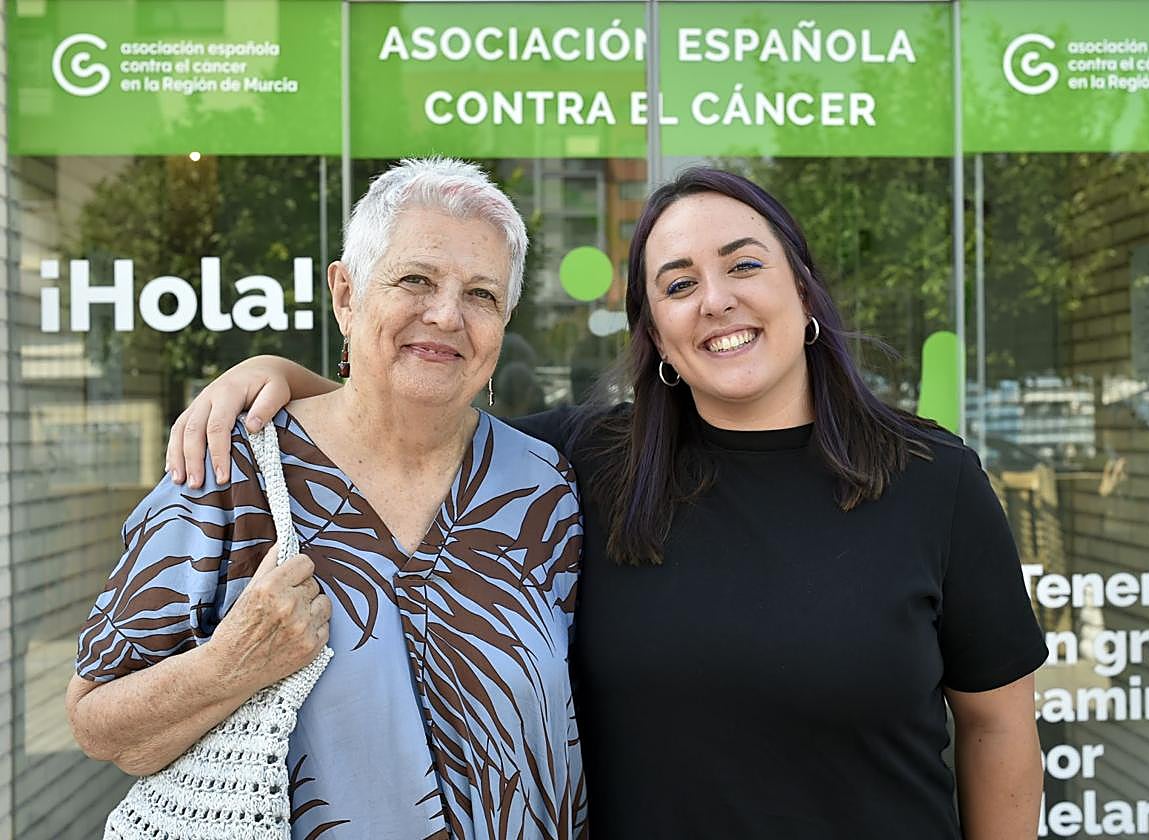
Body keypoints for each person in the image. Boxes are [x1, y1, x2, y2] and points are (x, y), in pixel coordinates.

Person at [166, 167, 1048, 839]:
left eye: (744, 265)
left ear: (802, 290)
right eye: (677, 283)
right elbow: (411, 407)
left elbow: (998, 726)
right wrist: (274, 377)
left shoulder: (933, 478)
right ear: (656, 330)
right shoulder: (588, 461)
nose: (718, 300)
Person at [67, 159, 588, 839]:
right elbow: (96, 722)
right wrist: (229, 668)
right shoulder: (233, 469)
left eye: (481, 295)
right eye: (416, 280)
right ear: (346, 295)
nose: (446, 315)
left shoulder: (543, 487)